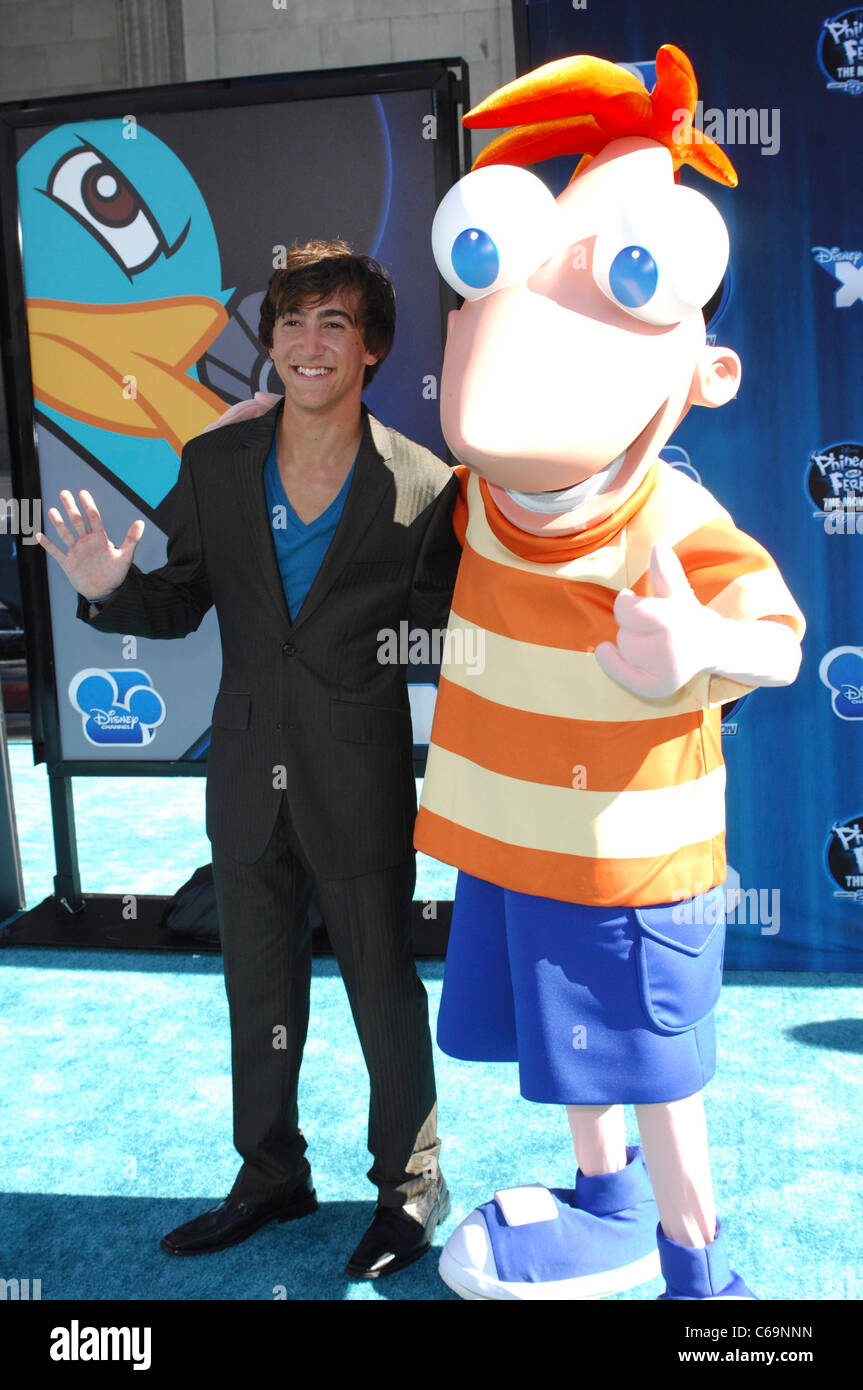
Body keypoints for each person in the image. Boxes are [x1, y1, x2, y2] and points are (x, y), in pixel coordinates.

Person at [416, 46, 805, 1300]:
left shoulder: (667, 515)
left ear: (708, 375)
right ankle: (605, 1207)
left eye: (633, 280)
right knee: (567, 1049)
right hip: (521, 845)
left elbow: (781, 641)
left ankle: (704, 1288)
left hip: (631, 860)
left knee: (657, 1073)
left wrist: (699, 647)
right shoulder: (482, 500)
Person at [37, 240, 460, 1279]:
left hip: (357, 780)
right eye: (291, 323)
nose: (308, 344)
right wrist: (107, 584)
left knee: (380, 986)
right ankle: (269, 1175)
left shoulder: (422, 485)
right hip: (244, 778)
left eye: (333, 325)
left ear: (371, 350)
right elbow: (174, 602)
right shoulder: (215, 464)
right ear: (268, 341)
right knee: (258, 989)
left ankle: (408, 1185)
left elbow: (449, 627)